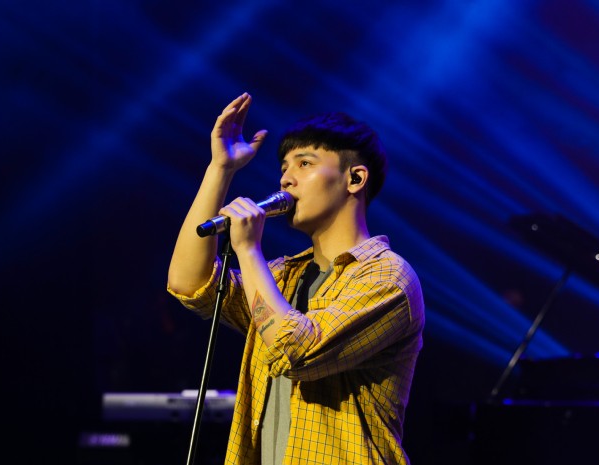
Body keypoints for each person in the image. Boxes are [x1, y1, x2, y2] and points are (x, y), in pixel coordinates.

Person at [167, 92, 424, 465]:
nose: (286, 179)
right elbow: (189, 282)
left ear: (355, 178)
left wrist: (248, 250)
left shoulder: (388, 276)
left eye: (304, 163)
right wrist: (220, 169)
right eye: (284, 167)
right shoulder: (281, 276)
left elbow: (297, 352)